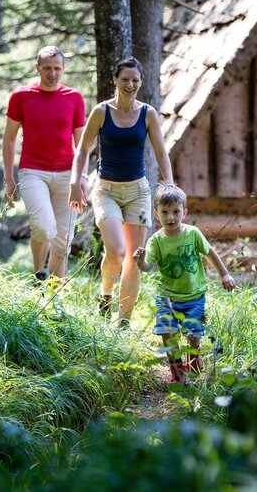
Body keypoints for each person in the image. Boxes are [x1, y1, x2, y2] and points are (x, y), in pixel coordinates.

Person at [69, 57, 173, 326]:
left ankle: (124, 321)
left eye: (135, 80)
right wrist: (75, 183)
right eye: (125, 79)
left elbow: (161, 151)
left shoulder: (147, 113)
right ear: (114, 80)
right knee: (115, 251)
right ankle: (105, 295)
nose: (130, 85)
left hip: (138, 191)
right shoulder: (102, 112)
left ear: (141, 82)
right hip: (106, 191)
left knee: (135, 257)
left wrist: (169, 182)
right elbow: (83, 149)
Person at [132, 183, 236, 383]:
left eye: (175, 212)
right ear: (156, 214)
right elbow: (148, 267)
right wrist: (140, 261)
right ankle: (177, 374)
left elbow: (210, 252)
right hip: (167, 299)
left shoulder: (193, 234)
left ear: (184, 212)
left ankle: (194, 366)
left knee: (193, 335)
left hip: (194, 297)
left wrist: (224, 274)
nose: (170, 217)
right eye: (165, 212)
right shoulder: (155, 241)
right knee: (167, 335)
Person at [3, 46, 86, 280]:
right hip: (32, 171)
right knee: (43, 226)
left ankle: (54, 295)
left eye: (57, 68)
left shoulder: (74, 98)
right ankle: (38, 274)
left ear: (63, 69)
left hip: (66, 174)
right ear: (37, 67)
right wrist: (9, 180)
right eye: (47, 68)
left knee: (63, 239)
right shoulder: (21, 96)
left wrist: (81, 180)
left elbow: (81, 146)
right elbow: (9, 139)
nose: (52, 73)